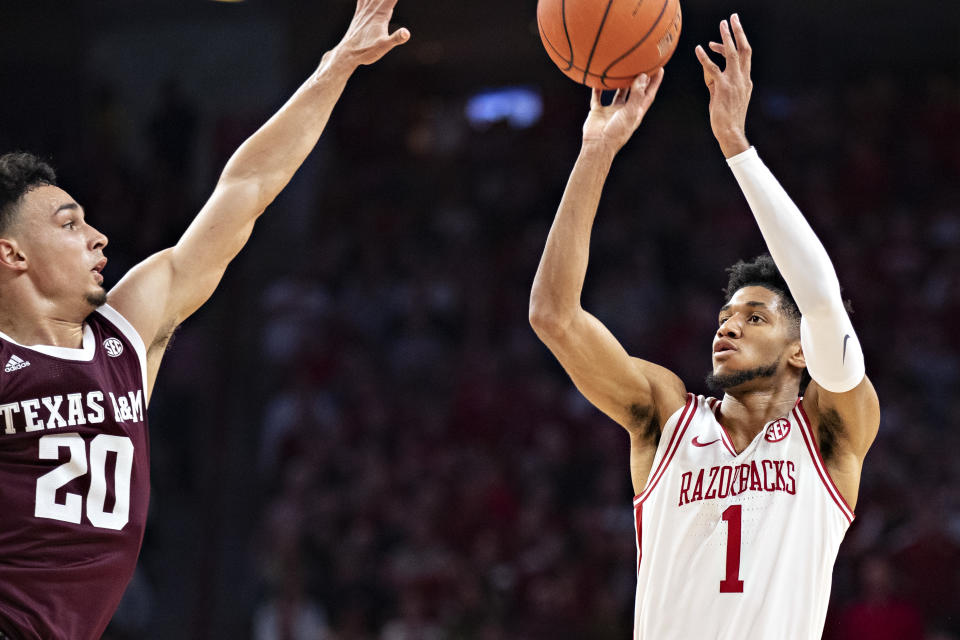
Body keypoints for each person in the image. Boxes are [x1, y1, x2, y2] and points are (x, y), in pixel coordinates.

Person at [0, 1, 409, 637]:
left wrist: (335, 67)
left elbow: (245, 188)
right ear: (13, 254)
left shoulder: (124, 334)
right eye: (69, 224)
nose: (99, 237)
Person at [529, 13, 880, 639]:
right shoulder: (666, 416)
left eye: (754, 316)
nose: (727, 329)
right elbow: (554, 316)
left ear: (801, 352)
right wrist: (594, 152)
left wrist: (737, 149)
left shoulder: (831, 435)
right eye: (724, 317)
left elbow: (823, 302)